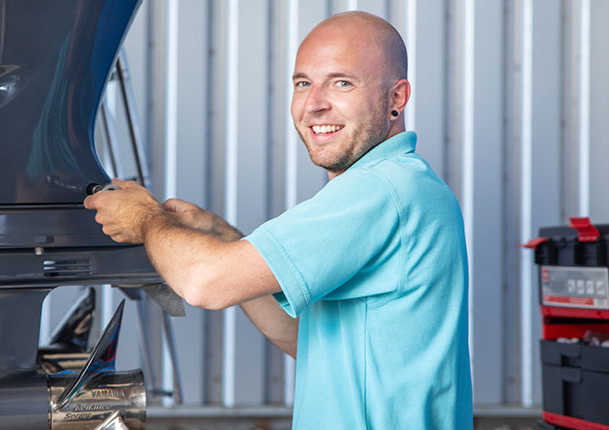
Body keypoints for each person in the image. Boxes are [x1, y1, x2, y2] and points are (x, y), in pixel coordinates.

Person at [84, 11, 472, 429]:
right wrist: (222, 236)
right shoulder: (404, 187)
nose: (314, 104)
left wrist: (144, 219)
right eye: (303, 83)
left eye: (342, 82)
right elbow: (307, 341)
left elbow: (204, 283)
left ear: (396, 99)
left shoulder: (381, 191)